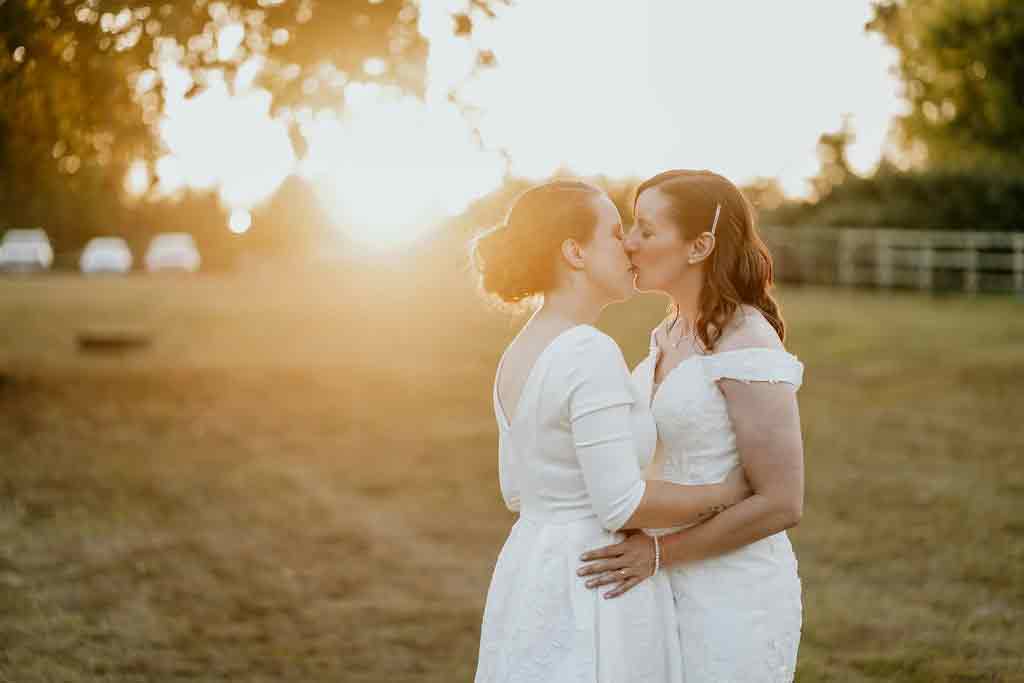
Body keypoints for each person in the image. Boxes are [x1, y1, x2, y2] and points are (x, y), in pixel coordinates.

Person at [471, 179, 751, 683]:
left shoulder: (519, 352)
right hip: (600, 579)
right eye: (614, 233)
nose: (628, 246)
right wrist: (729, 491)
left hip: (534, 567)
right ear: (574, 253)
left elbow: (517, 490)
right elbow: (621, 503)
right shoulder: (586, 350)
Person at [577, 170, 806, 682]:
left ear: (699, 245)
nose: (628, 242)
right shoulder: (669, 331)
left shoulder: (746, 340)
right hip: (658, 583)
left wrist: (659, 553)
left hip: (731, 593)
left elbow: (783, 501)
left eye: (646, 230)